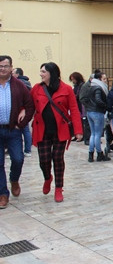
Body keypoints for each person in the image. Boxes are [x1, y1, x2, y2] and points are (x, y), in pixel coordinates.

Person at [31, 62, 83, 203]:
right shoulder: (36, 88)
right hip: (42, 130)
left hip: (60, 130)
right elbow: (29, 105)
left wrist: (78, 130)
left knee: (58, 159)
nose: (41, 74)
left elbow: (74, 110)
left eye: (43, 72)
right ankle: (48, 177)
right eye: (40, 71)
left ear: (51, 73)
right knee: (44, 159)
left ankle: (59, 188)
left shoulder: (66, 89)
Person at [0, 56, 35, 209]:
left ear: (11, 67)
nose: (2, 69)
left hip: (13, 130)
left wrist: (21, 123)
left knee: (18, 159)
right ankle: (3, 194)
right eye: (0, 66)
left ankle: (14, 179)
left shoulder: (19, 85)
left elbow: (30, 106)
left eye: (5, 66)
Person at [83, 70, 109, 162]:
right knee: (97, 134)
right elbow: (98, 100)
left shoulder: (91, 86)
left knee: (93, 134)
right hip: (97, 112)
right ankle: (99, 154)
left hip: (90, 111)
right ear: (99, 79)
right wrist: (105, 106)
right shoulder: (98, 88)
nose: (105, 81)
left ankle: (91, 155)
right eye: (104, 79)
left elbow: (85, 99)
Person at [12, 67, 33, 157]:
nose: (12, 74)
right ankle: (28, 150)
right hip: (23, 109)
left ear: (17, 74)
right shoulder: (27, 83)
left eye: (13, 72)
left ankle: (22, 150)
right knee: (26, 131)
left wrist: (24, 108)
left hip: (20, 110)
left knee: (22, 130)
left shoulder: (19, 84)